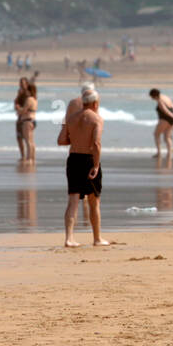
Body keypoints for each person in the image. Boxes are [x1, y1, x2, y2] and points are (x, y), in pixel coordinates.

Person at [62, 86, 108, 247]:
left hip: (73, 159)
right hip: (88, 159)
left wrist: (76, 137)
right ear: (95, 103)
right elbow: (96, 143)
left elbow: (61, 140)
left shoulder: (71, 118)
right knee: (94, 201)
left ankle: (69, 238)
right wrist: (96, 165)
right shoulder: (97, 119)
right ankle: (97, 238)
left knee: (73, 200)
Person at [150, 87, 173, 159]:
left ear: (154, 96)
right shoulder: (166, 97)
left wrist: (172, 116)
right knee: (167, 137)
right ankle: (169, 154)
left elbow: (165, 110)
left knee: (156, 134)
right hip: (172, 120)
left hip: (165, 119)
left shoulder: (160, 101)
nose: (151, 99)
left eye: (151, 97)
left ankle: (159, 153)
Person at [18, 81, 38, 163]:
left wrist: (19, 109)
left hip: (27, 120)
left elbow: (23, 110)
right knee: (31, 140)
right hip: (32, 120)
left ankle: (29, 158)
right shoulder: (34, 99)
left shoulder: (29, 99)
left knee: (28, 141)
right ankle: (32, 157)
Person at [13, 78, 31, 160]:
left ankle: (28, 156)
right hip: (19, 118)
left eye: (23, 83)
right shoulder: (19, 92)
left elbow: (28, 107)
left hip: (25, 117)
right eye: (20, 83)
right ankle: (23, 155)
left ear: (26, 84)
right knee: (19, 137)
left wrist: (20, 109)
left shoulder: (28, 94)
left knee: (27, 138)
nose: (21, 85)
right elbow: (16, 104)